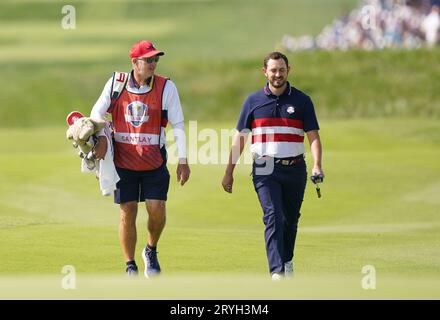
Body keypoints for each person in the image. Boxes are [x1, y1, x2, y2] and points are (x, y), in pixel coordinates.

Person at [90, 40, 190, 277]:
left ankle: (151, 249)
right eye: (149, 59)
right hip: (123, 162)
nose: (154, 63)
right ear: (135, 62)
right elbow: (96, 112)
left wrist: (183, 159)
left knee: (157, 210)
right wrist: (102, 134)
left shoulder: (166, 87)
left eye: (156, 59)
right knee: (128, 210)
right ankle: (130, 265)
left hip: (154, 161)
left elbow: (178, 124)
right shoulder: (116, 83)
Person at [222, 52, 323, 280]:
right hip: (264, 167)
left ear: (289, 70)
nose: (278, 74)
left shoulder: (302, 101)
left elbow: (313, 137)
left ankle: (287, 261)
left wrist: (317, 165)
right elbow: (240, 138)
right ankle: (276, 271)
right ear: (264, 71)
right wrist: (229, 172)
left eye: (282, 70)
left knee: (290, 219)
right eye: (273, 70)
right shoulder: (253, 102)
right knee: (273, 216)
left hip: (295, 167)